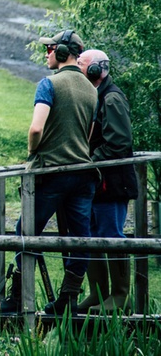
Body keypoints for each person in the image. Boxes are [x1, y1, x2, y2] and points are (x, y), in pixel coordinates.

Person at [0, 30, 98, 315]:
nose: (47, 53)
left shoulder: (49, 84)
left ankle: (20, 297)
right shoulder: (91, 89)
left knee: (26, 232)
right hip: (83, 174)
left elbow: (36, 128)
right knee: (80, 238)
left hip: (51, 173)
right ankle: (68, 299)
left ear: (61, 53)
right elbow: (90, 135)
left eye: (50, 48)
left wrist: (33, 150)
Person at [76, 49, 138, 314]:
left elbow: (119, 143)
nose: (77, 69)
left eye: (80, 65)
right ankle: (98, 293)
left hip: (111, 183)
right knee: (92, 235)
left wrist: (89, 159)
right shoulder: (96, 96)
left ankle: (121, 295)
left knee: (111, 235)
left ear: (94, 70)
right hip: (98, 182)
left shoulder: (111, 98)